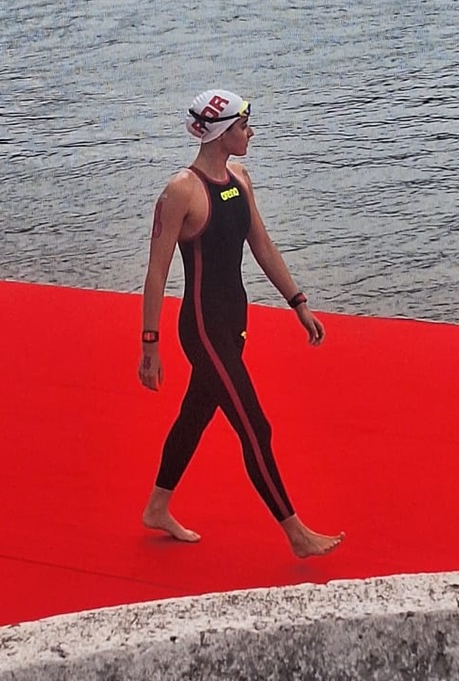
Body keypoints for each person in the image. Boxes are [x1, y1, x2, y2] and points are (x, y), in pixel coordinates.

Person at [137, 89, 344, 558]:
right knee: (256, 426)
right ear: (220, 131)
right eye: (243, 126)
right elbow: (156, 272)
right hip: (203, 329)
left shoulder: (241, 179)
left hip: (235, 322)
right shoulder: (181, 192)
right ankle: (296, 534)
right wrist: (150, 343)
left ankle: (156, 507)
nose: (251, 133)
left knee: (196, 414)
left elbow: (263, 247)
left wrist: (299, 303)